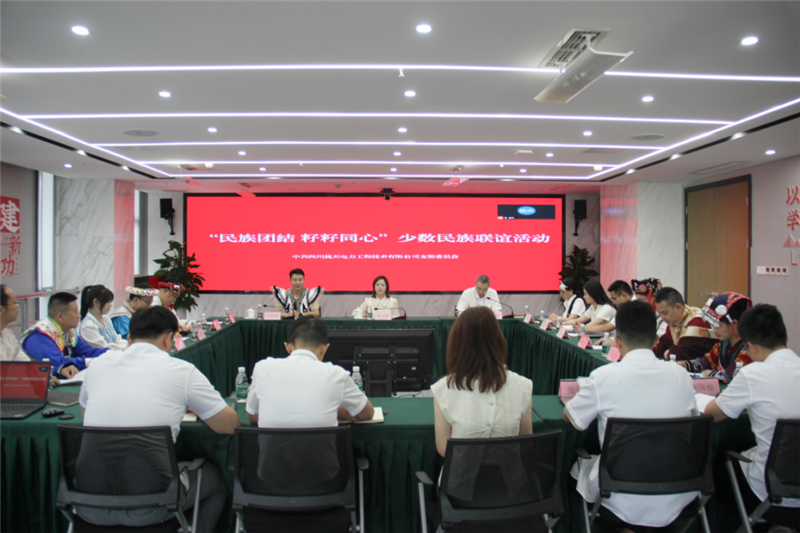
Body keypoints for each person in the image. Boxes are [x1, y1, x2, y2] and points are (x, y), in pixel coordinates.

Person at [77, 306, 240, 531]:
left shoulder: (98, 365)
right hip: (154, 504)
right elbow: (230, 425)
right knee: (217, 478)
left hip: (87, 502)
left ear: (129, 338)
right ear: (168, 339)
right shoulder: (182, 370)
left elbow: (85, 413)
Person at [563, 300, 698, 531]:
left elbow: (572, 419)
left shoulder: (604, 377)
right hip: (677, 487)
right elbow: (693, 421)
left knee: (576, 469)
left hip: (619, 492)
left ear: (618, 340)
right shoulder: (681, 376)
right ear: (656, 340)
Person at [704, 304, 800, 513]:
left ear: (751, 347)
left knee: (717, 465)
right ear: (786, 337)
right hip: (789, 484)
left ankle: (742, 524)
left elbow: (711, 413)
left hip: (771, 492)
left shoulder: (753, 374)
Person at [432, 306, 533, 458]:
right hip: (509, 472)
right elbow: (526, 442)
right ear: (498, 340)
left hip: (461, 473)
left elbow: (444, 449)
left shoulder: (444, 388)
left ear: (456, 345)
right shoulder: (522, 385)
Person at [246, 316, 373, 427]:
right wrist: (337, 410)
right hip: (322, 448)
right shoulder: (336, 374)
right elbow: (367, 413)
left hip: (272, 449)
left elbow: (253, 415)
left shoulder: (263, 368)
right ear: (324, 349)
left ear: (288, 348)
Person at [21, 292, 108, 379]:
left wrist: (111, 353)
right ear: (61, 316)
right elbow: (59, 362)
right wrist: (87, 361)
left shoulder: (68, 331)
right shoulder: (40, 335)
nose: (79, 316)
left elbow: (87, 352)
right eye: (75, 312)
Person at [677, 293, 753, 382]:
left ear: (734, 324)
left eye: (718, 325)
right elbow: (706, 361)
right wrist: (684, 364)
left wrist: (711, 374)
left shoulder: (750, 348)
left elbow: (732, 375)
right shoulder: (723, 344)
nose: (714, 330)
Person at [653, 287, 717, 361]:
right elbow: (662, 347)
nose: (662, 318)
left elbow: (680, 354)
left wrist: (668, 352)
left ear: (678, 307)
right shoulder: (676, 323)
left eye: (665, 313)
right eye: (660, 313)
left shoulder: (698, 322)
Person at [79, 285, 127, 350]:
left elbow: (117, 339)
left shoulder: (106, 319)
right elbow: (104, 347)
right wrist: (125, 347)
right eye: (107, 302)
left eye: (110, 302)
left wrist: (127, 345)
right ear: (95, 302)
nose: (110, 305)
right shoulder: (87, 325)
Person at [1, 284, 27, 361]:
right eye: (14, 302)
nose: (17, 306)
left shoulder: (8, 335)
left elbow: (24, 362)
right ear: (1, 310)